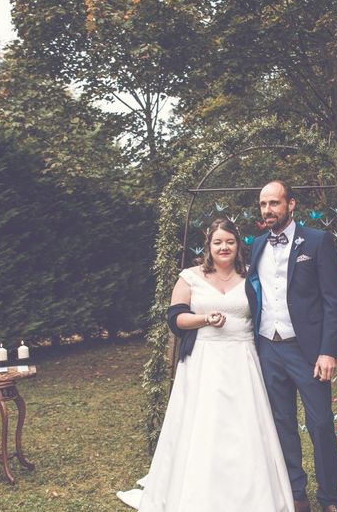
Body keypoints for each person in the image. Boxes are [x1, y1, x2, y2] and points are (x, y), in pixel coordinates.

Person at [118, 218, 293, 511]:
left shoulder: (252, 276)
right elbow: (176, 318)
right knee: (204, 423)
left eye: (230, 242)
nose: (224, 247)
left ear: (238, 246)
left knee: (245, 425)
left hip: (243, 360)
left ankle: (252, 494)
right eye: (218, 242)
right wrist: (204, 319)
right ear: (208, 246)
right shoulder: (190, 277)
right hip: (204, 359)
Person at [245, 180, 337, 512]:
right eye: (263, 204)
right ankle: (296, 493)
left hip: (308, 352)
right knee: (282, 423)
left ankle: (330, 497)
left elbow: (333, 300)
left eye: (274, 203)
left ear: (291, 204)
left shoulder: (317, 241)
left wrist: (328, 350)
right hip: (268, 349)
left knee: (320, 424)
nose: (268, 210)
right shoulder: (257, 245)